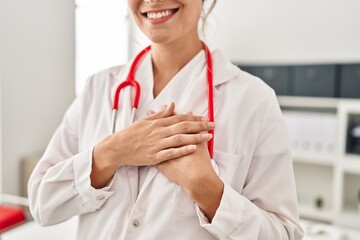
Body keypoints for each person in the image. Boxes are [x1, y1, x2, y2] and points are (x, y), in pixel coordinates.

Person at [28, 0, 304, 239]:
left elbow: (284, 233)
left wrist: (208, 190)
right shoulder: (98, 89)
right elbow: (42, 202)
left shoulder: (253, 101)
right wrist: (111, 152)